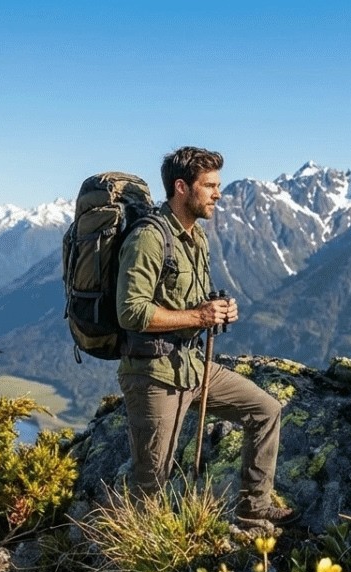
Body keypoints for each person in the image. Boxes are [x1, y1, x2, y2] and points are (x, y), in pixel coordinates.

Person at [115, 146, 295, 533]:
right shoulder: (149, 238)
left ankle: (253, 508)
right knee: (152, 482)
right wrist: (198, 316)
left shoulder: (196, 239)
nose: (218, 194)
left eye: (218, 185)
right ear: (182, 187)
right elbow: (130, 311)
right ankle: (135, 559)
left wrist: (218, 308)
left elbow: (191, 301)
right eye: (210, 186)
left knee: (265, 410)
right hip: (153, 375)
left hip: (192, 365)